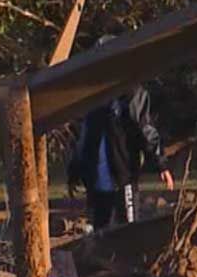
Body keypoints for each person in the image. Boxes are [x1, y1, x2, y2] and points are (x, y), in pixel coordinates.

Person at [67, 56, 174, 230]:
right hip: (98, 180)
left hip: (121, 176)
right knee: (103, 233)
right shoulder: (93, 98)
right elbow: (84, 137)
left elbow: (144, 129)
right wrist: (74, 170)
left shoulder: (130, 93)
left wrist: (160, 163)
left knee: (127, 231)